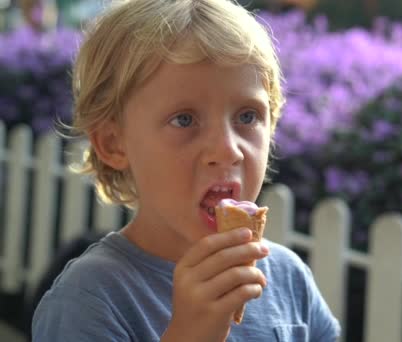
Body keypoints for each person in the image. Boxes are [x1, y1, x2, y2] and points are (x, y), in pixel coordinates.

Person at [31, 0, 341, 341]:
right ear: (114, 144)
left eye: (248, 117)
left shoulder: (290, 280)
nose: (227, 149)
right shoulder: (90, 300)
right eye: (184, 119)